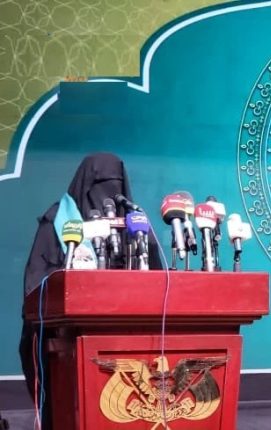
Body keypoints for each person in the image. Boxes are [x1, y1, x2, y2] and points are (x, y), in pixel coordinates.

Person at [18, 152, 163, 428]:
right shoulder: (58, 222)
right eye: (101, 185)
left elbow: (157, 278)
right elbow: (36, 281)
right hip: (69, 340)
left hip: (130, 335)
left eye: (116, 185)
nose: (109, 195)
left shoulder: (134, 224)